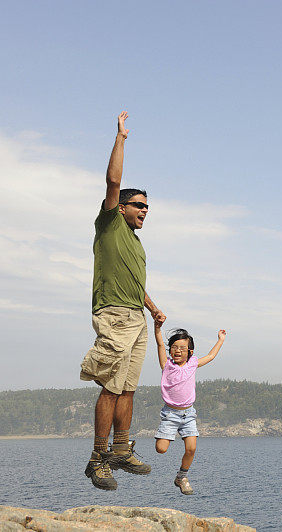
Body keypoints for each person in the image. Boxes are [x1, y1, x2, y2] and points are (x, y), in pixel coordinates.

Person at [79, 111, 167, 491]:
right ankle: (97, 458)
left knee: (128, 388)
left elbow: (132, 278)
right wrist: (121, 138)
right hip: (113, 315)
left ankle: (120, 449)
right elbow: (113, 179)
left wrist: (151, 306)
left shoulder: (135, 242)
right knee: (111, 388)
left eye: (147, 207)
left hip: (136, 317)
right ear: (123, 206)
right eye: (140, 205)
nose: (145, 211)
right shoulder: (110, 222)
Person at [154, 324, 227, 495]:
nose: (177, 351)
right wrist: (157, 329)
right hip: (170, 414)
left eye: (182, 348)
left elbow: (210, 356)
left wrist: (220, 340)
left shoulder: (193, 364)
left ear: (190, 352)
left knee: (191, 448)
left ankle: (181, 477)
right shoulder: (166, 365)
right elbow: (159, 345)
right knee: (161, 449)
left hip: (188, 414)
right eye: (174, 347)